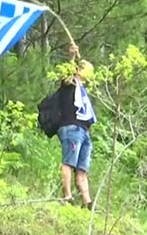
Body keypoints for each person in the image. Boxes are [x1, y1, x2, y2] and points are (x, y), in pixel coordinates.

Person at [56, 43, 96, 209]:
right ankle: (67, 196)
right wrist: (72, 57)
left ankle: (87, 202)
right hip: (71, 127)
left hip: (84, 131)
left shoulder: (83, 90)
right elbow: (66, 76)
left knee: (82, 169)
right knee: (69, 162)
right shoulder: (70, 84)